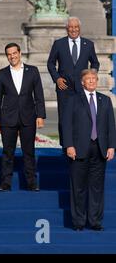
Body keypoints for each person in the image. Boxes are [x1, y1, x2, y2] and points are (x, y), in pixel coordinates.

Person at [62, 69, 115, 231]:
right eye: (88, 79)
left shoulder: (105, 100)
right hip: (78, 149)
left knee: (97, 188)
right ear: (82, 82)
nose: (91, 81)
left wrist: (112, 146)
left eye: (94, 79)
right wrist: (69, 145)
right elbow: (66, 125)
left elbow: (111, 127)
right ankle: (78, 222)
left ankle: (95, 221)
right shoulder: (73, 100)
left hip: (100, 149)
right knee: (78, 187)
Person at [0, 43, 46, 192]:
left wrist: (41, 115)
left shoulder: (32, 71)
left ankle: (31, 182)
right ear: (7, 56)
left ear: (20, 53)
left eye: (14, 53)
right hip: (7, 118)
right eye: (9, 54)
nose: (12, 56)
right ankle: (5, 183)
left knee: (29, 151)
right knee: (7, 152)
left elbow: (39, 95)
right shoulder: (2, 73)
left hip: (28, 117)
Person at [47, 16, 99, 146]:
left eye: (76, 27)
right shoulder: (59, 44)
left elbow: (95, 63)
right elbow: (51, 63)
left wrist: (90, 77)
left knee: (84, 115)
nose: (73, 29)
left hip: (83, 88)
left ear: (79, 28)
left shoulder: (88, 44)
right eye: (71, 27)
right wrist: (57, 78)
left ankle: (83, 142)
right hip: (64, 88)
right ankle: (66, 145)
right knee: (65, 117)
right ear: (66, 28)